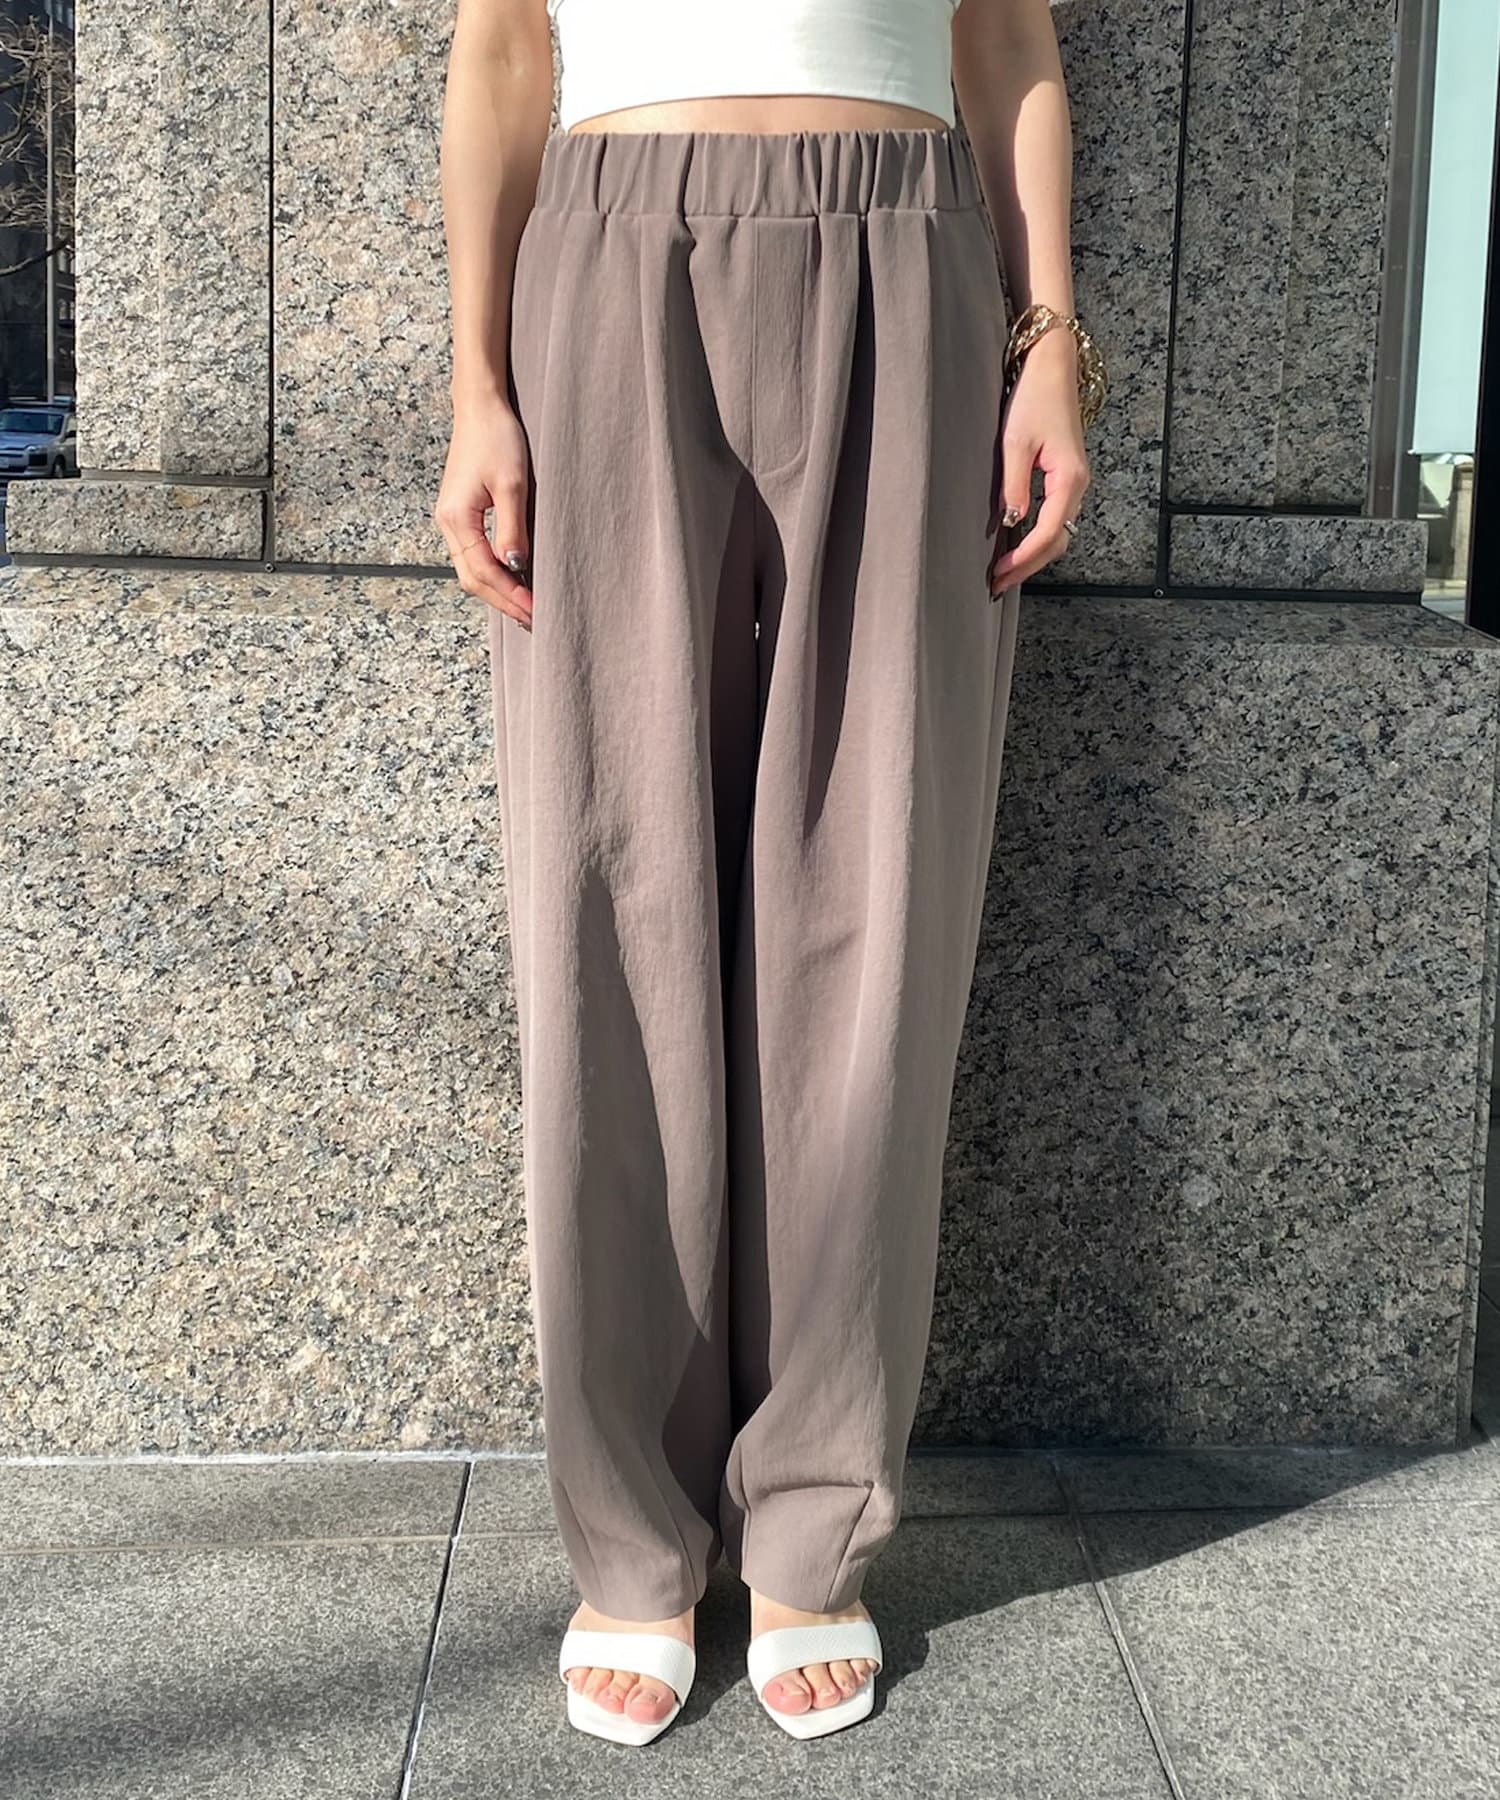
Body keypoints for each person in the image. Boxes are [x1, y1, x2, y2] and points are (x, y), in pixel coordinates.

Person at [436, 0, 1097, 1748]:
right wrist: (477, 385)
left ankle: (814, 1512)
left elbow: (1008, 43)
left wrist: (1049, 341)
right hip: (606, 249)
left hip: (910, 251)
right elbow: (500, 52)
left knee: (874, 891)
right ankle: (631, 1530)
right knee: (606, 893)